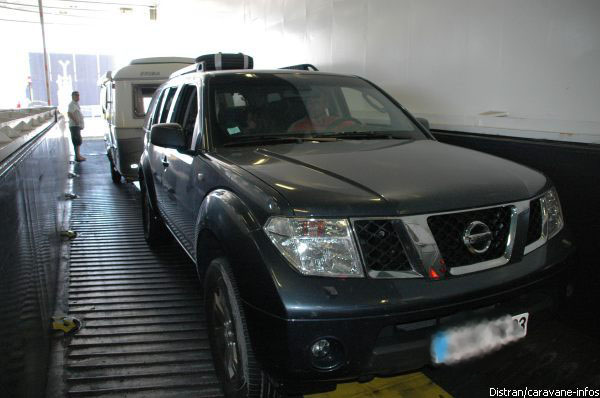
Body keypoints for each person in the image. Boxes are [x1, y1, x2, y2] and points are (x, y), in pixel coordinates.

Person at [67, 91, 86, 161]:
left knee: (78, 140)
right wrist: (76, 121)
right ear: (72, 96)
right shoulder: (71, 104)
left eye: (78, 96)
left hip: (76, 126)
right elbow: (69, 113)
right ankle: (77, 157)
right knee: (76, 141)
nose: (78, 97)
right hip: (74, 126)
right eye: (76, 96)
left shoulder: (76, 104)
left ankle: (78, 155)